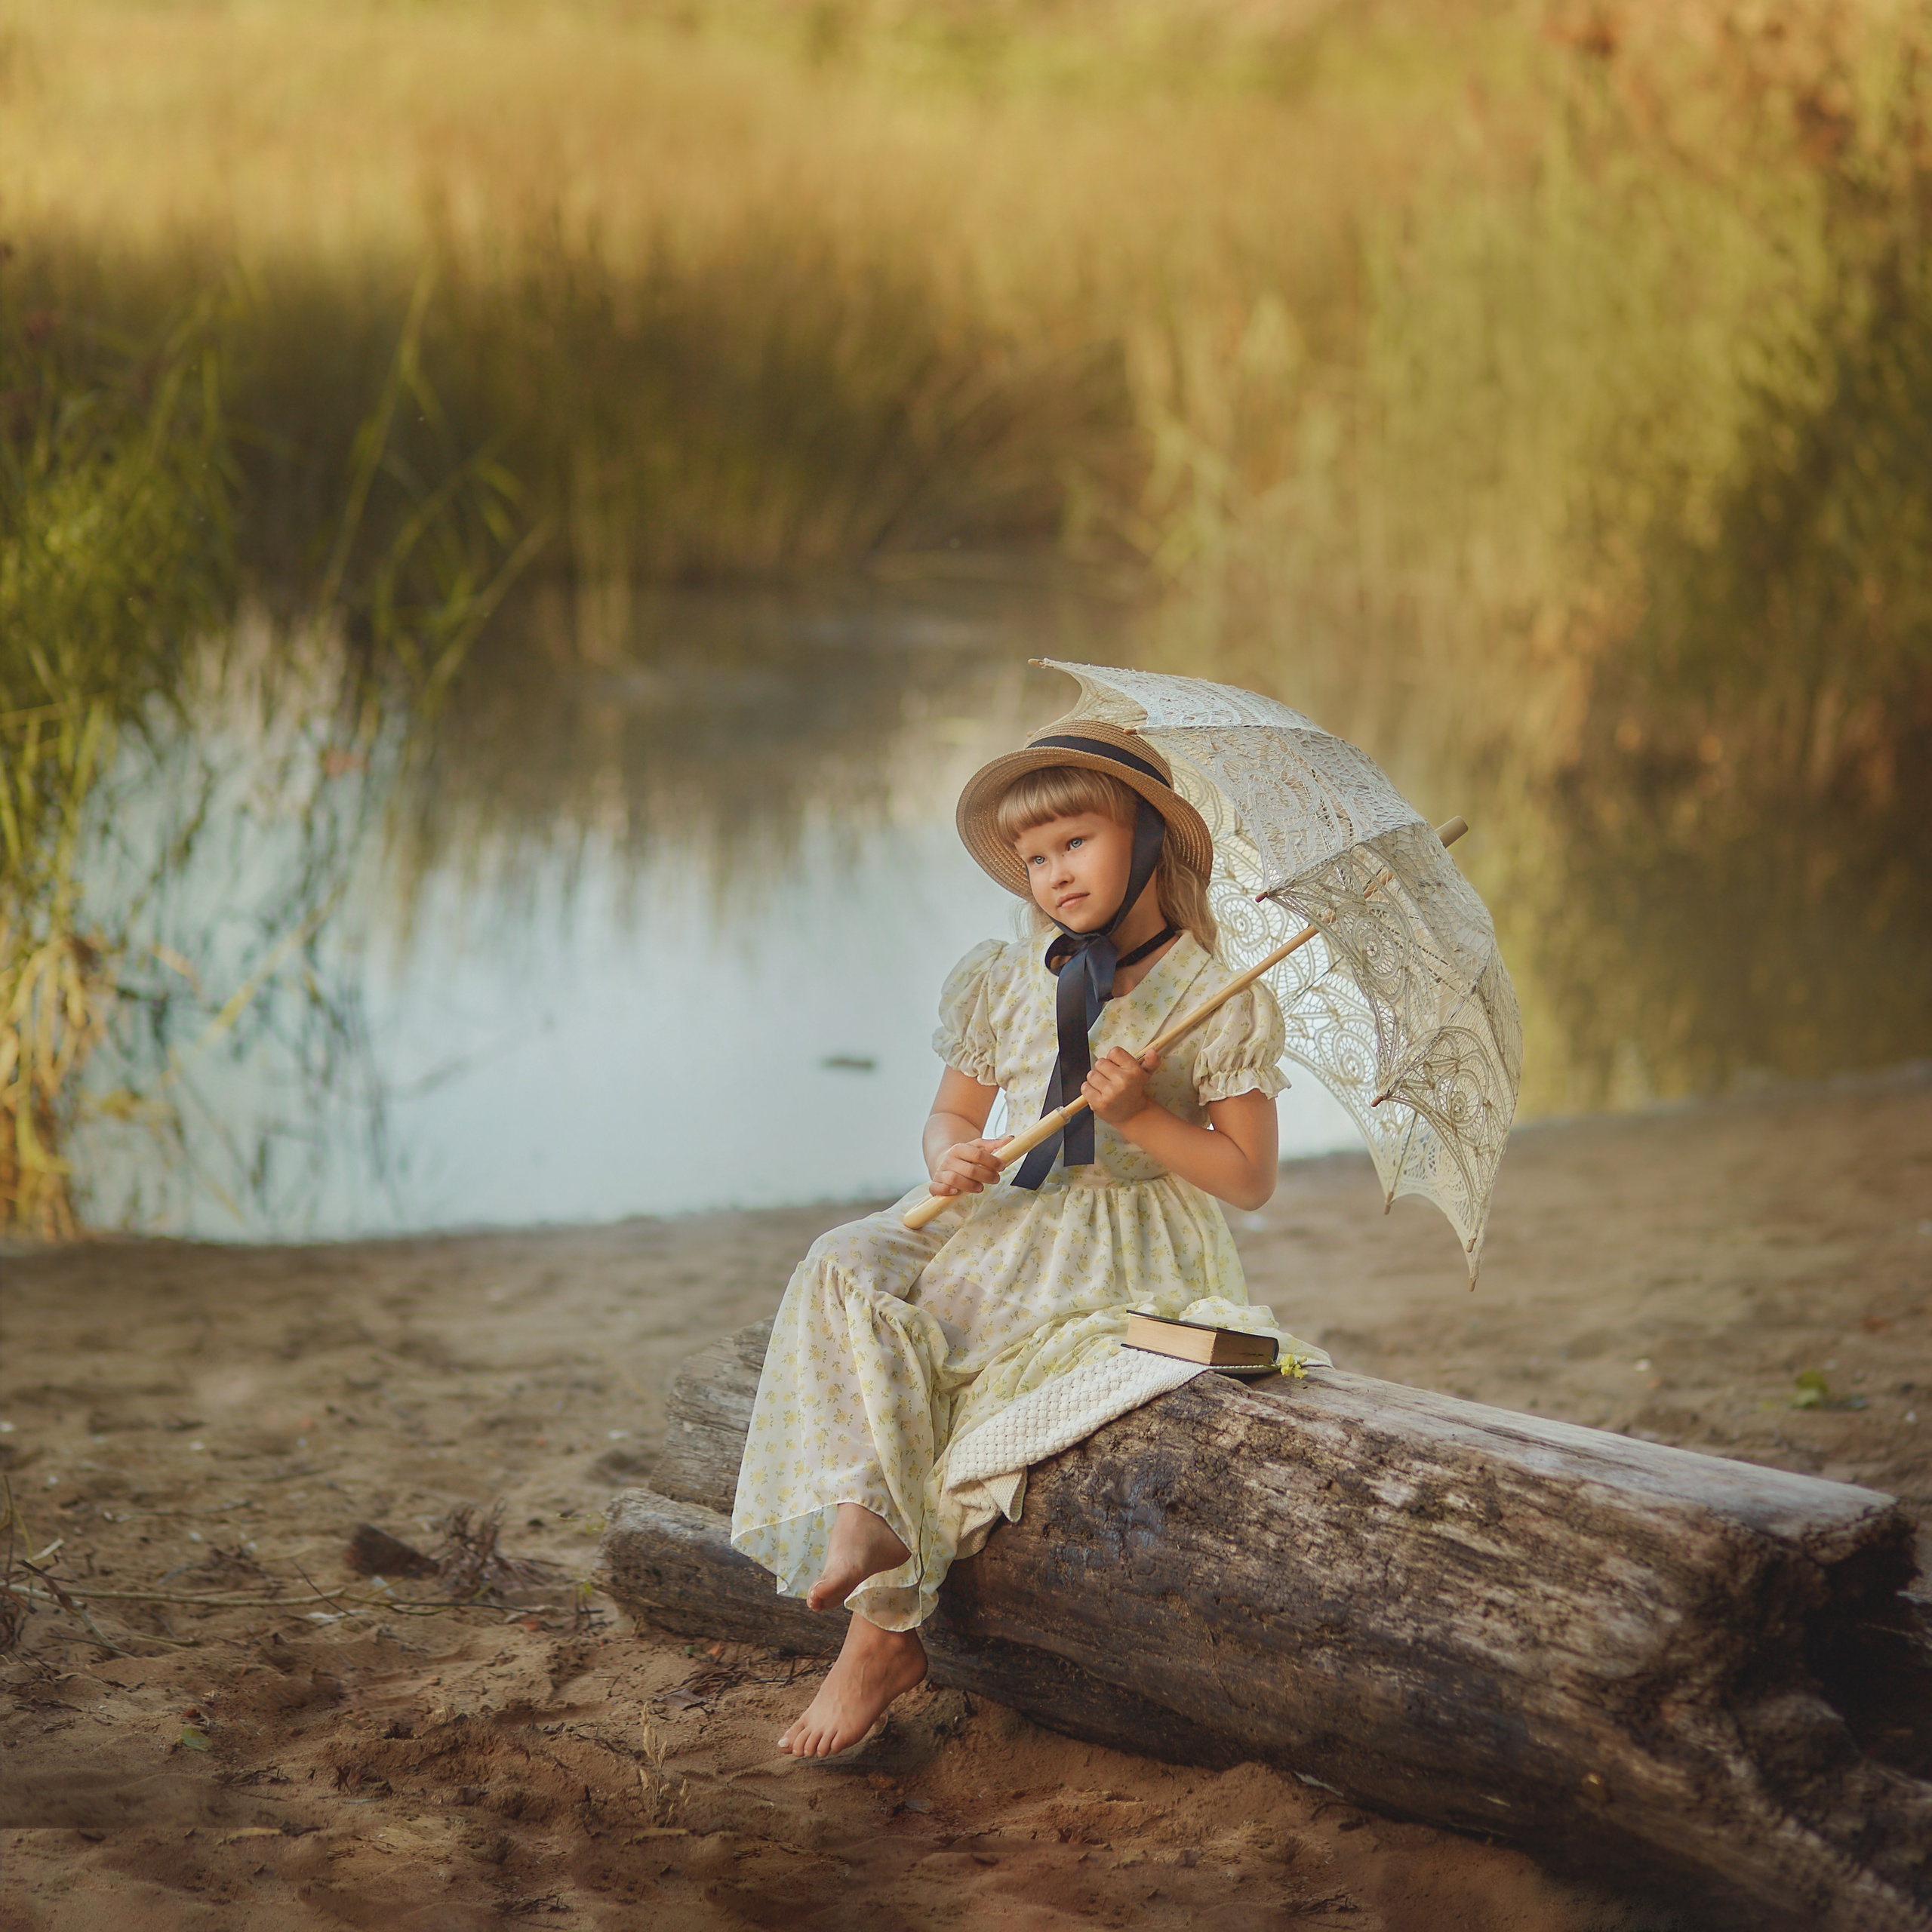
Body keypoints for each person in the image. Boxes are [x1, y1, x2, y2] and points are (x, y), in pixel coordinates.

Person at [731, 718, 1301, 1758]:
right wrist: (953, 1154)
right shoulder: (1008, 974)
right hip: (1008, 1211)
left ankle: (880, 1637)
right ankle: (867, 1501)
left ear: (1147, 840)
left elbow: (1249, 1180)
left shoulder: (1215, 997)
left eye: (1075, 844)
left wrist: (1141, 1118)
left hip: (1123, 1234)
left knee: (978, 1366)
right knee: (844, 1262)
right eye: (1035, 858)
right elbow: (951, 1114)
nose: (1054, 874)